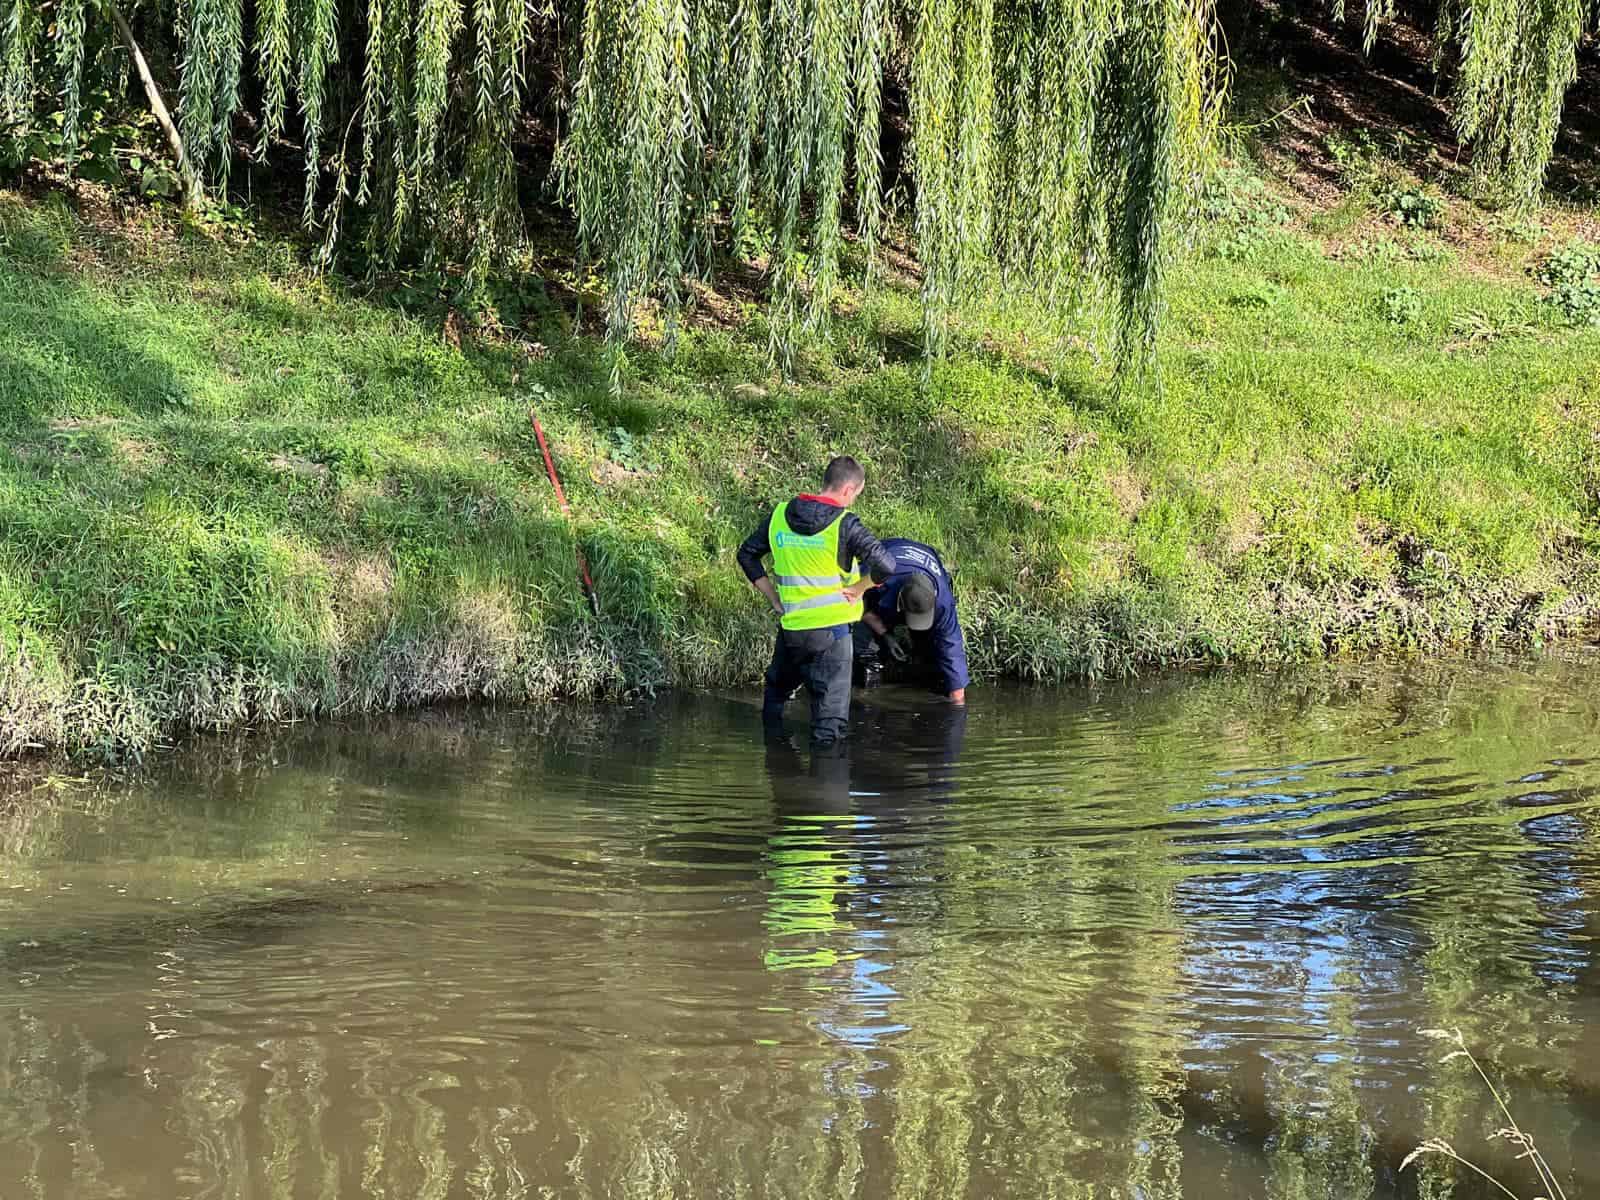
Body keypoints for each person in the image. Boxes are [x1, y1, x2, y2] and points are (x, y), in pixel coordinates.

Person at [737, 456, 897, 746]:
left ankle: (777, 767)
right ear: (848, 490)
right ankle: (823, 787)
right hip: (832, 638)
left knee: (775, 702)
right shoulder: (845, 525)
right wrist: (861, 588)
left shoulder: (779, 514)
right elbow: (886, 565)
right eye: (857, 495)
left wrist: (773, 597)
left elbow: (746, 554)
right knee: (829, 729)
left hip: (792, 633)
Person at [856, 538, 968, 705]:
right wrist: (885, 635)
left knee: (934, 655)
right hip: (891, 552)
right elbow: (855, 606)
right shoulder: (877, 573)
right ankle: (863, 692)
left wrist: (957, 702)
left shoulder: (943, 602)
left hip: (925, 555)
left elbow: (951, 649)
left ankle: (918, 663)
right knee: (861, 643)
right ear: (900, 602)